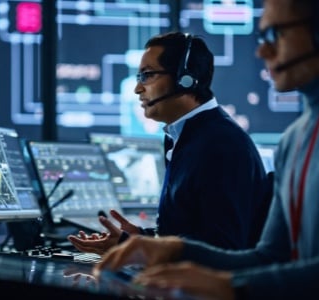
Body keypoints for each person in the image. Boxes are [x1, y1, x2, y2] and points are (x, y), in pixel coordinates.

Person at [92, 0, 319, 299]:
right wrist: (174, 250)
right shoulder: (294, 138)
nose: (262, 50)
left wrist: (234, 288)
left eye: (275, 34)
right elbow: (271, 257)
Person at [68, 32, 269, 253]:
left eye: (147, 76)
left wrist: (140, 249)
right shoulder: (184, 134)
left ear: (186, 78)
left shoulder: (221, 145)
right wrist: (140, 238)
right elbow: (189, 231)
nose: (138, 89)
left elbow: (223, 248)